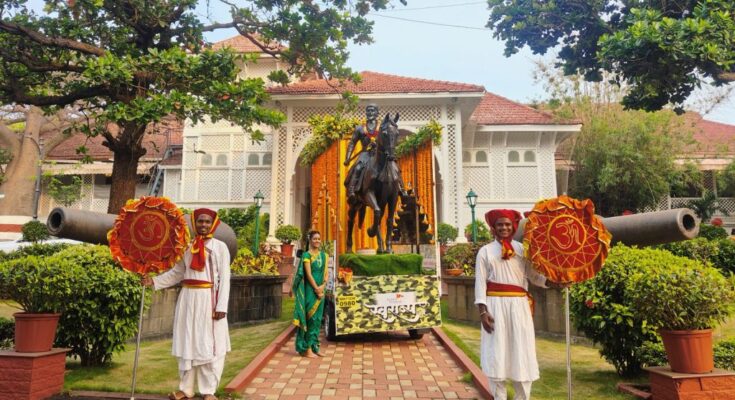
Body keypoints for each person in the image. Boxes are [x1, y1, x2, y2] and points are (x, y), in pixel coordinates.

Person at [474, 209, 566, 400]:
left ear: (513, 227)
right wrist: (483, 312)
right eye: (500, 224)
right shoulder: (485, 252)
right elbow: (480, 283)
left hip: (519, 307)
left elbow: (534, 276)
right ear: (493, 227)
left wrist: (555, 282)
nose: (504, 228)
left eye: (507, 224)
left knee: (521, 352)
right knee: (496, 353)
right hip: (495, 307)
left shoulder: (523, 250)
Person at [142, 208, 231, 400]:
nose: (204, 225)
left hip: (209, 300)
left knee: (209, 344)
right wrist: (154, 281)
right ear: (194, 223)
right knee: (187, 342)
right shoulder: (187, 247)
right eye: (200, 221)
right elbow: (178, 272)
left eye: (207, 222)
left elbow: (225, 278)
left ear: (213, 224)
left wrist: (221, 306)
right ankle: (186, 389)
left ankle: (209, 391)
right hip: (188, 299)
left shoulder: (220, 247)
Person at [292, 230, 328, 357]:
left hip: (321, 291)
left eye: (319, 239)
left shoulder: (324, 256)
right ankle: (306, 348)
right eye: (315, 239)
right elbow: (308, 274)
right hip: (310, 291)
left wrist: (322, 287)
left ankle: (315, 347)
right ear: (310, 240)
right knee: (310, 319)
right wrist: (316, 289)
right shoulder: (307, 255)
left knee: (318, 320)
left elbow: (326, 275)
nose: (317, 241)